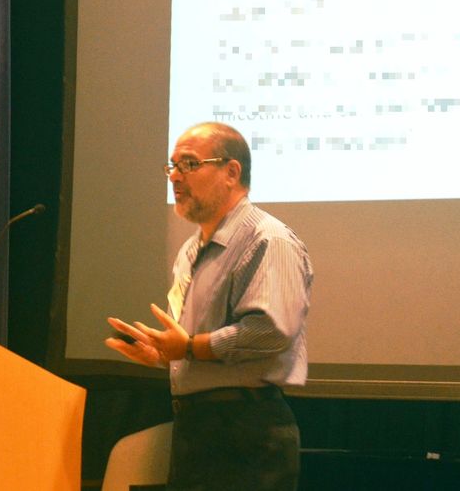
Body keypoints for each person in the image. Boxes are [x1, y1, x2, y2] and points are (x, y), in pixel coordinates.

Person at [105, 122, 313, 491]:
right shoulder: (190, 251)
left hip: (247, 432)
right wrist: (163, 353)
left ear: (231, 172)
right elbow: (192, 342)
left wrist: (186, 348)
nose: (175, 177)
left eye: (188, 164)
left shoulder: (268, 239)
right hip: (196, 430)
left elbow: (270, 332)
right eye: (172, 166)